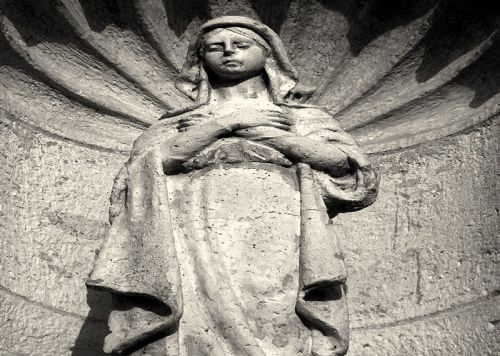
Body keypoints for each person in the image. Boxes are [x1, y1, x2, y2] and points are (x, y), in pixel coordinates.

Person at [87, 16, 379, 356]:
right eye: (215, 47)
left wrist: (260, 129)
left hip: (279, 222)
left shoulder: (301, 117)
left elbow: (341, 162)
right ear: (200, 59)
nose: (228, 52)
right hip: (191, 222)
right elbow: (149, 166)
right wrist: (229, 123)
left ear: (268, 56)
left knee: (274, 305)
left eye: (241, 45)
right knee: (197, 312)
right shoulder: (180, 121)